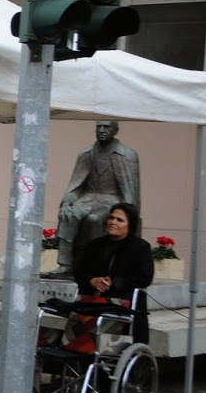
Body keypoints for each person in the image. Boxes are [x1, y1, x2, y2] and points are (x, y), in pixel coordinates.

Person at [57, 121, 142, 274]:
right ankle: (66, 265)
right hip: (88, 198)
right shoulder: (87, 153)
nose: (102, 130)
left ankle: (94, 266)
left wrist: (129, 213)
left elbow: (131, 191)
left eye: (106, 127)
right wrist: (68, 202)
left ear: (115, 130)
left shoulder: (127, 154)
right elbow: (76, 187)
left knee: (94, 220)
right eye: (99, 127)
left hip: (113, 200)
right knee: (68, 215)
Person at [73, 201, 153, 344]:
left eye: (119, 220)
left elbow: (145, 277)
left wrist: (114, 282)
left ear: (130, 225)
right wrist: (92, 281)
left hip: (122, 304)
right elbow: (79, 271)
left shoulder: (140, 247)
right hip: (93, 303)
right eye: (111, 218)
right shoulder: (95, 245)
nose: (113, 222)